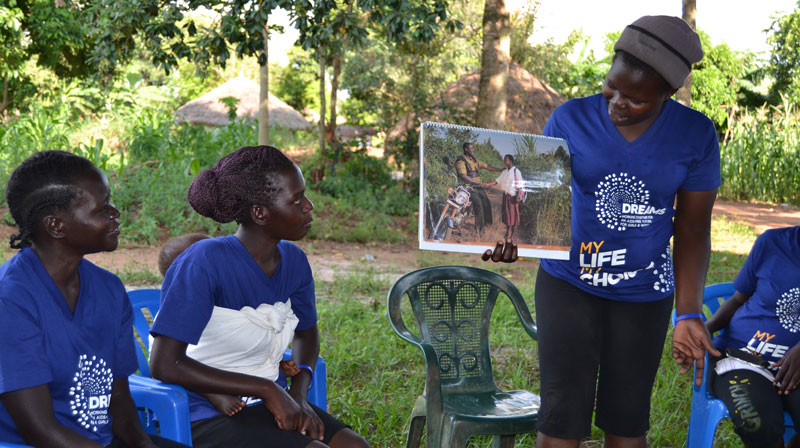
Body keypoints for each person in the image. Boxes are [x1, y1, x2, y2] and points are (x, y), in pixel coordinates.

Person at [484, 15, 721, 448]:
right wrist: (512, 238)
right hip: (568, 286)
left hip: (644, 295)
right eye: (612, 86)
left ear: (668, 95)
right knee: (559, 422)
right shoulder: (569, 119)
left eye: (636, 99)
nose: (617, 103)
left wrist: (687, 313)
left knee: (627, 427)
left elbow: (692, 227)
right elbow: (538, 206)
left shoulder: (696, 135)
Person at [148, 145, 369, 448]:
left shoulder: (294, 261)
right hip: (203, 412)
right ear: (260, 213)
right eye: (296, 199)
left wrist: (298, 393)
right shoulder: (204, 261)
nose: (309, 206)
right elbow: (164, 364)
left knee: (355, 445)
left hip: (268, 401)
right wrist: (268, 390)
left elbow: (307, 333)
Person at [0, 150, 188, 448]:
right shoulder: (11, 301)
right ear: (56, 225)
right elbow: (38, 429)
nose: (115, 213)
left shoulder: (109, 289)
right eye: (102, 209)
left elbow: (121, 407)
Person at [156, 232, 301, 417]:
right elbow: (173, 363)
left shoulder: (232, 309)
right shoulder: (174, 315)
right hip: (201, 386)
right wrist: (214, 394)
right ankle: (213, 394)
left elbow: (242, 348)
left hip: (248, 385)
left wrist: (276, 363)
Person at [704, 226, 800, 448]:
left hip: (795, 369)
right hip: (742, 358)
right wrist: (708, 327)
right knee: (757, 423)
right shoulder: (772, 243)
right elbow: (738, 299)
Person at [455, 142, 502, 235]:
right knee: (479, 206)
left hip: (477, 187)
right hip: (468, 188)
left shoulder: (474, 160)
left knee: (487, 203)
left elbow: (486, 166)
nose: (473, 150)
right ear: (465, 149)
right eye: (471, 148)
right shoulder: (460, 161)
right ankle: (479, 231)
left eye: (473, 148)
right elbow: (464, 177)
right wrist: (480, 183)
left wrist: (500, 169)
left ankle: (488, 227)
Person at [483, 154, 524, 242]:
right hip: (506, 196)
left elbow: (520, 185)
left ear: (511, 161)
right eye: (504, 159)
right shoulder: (505, 171)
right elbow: (497, 181)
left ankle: (512, 234)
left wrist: (518, 196)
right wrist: (488, 184)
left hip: (513, 197)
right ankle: (508, 231)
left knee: (513, 216)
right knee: (507, 216)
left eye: (506, 160)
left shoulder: (516, 171)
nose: (505, 161)